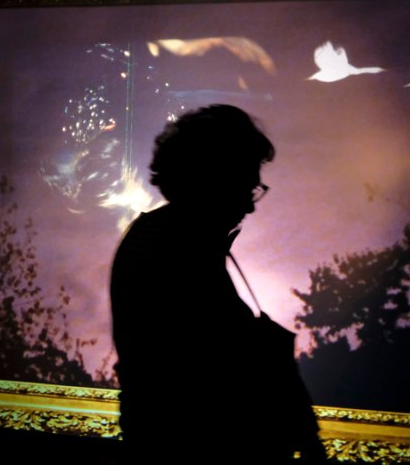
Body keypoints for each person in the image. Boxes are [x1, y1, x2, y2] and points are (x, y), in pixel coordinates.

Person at [110, 105, 326, 463]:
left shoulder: (162, 239)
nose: (250, 206)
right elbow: (218, 376)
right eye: (246, 186)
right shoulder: (180, 250)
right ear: (213, 178)